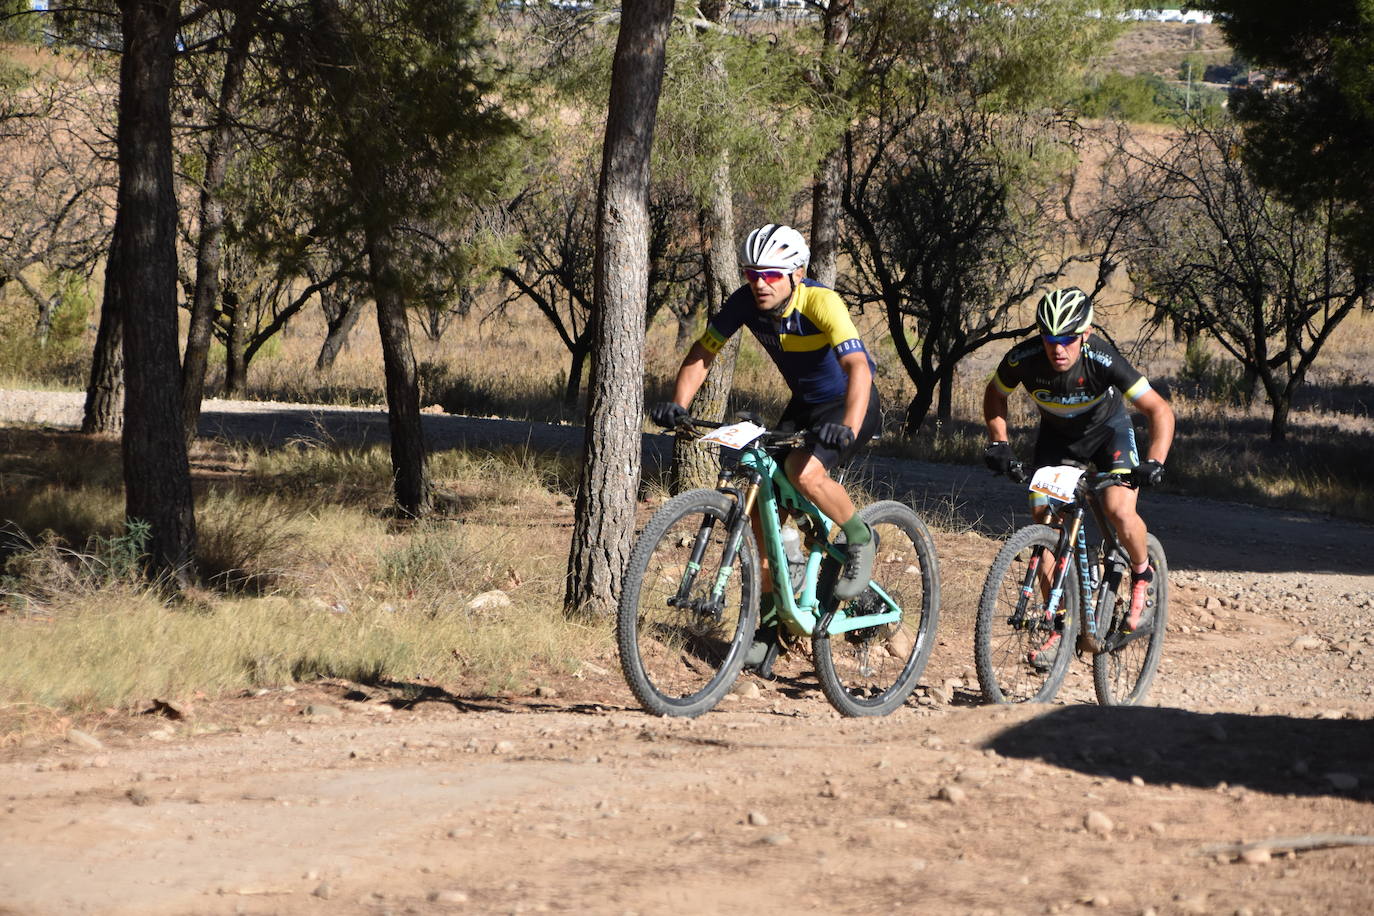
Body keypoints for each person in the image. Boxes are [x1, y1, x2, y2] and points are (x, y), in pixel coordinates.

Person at [649, 224, 882, 663]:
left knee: (803, 472)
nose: (760, 283)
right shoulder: (744, 302)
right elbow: (703, 352)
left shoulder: (821, 302)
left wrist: (849, 427)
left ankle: (860, 536)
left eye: (772, 275)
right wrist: (678, 404)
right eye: (752, 273)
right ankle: (772, 628)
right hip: (805, 405)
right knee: (762, 513)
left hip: (851, 403)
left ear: (797, 273)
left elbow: (858, 367)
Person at [982, 286, 1175, 634]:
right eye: (1050, 338)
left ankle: (1142, 572)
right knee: (1044, 521)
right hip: (1058, 441)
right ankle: (1057, 623)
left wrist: (1155, 462)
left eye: (1068, 339)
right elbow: (995, 394)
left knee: (1118, 510)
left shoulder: (1103, 359)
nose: (1058, 348)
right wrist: (999, 442)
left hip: (1108, 435)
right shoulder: (1023, 359)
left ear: (1086, 333)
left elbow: (1159, 410)